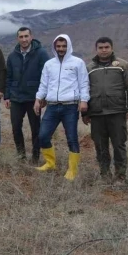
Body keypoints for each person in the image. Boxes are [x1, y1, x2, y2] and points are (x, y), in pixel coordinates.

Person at [82, 37, 128, 184]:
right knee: (100, 146)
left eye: (106, 47)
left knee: (119, 144)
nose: (104, 50)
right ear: (96, 49)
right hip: (97, 114)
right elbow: (84, 91)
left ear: (112, 48)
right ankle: (105, 175)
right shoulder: (89, 68)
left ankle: (120, 177)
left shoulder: (122, 65)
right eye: (100, 47)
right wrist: (85, 113)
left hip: (117, 112)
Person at [35, 34, 90, 181]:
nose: (61, 49)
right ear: (54, 47)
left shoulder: (78, 63)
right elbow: (44, 84)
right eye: (58, 46)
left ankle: (72, 170)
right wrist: (38, 98)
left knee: (72, 138)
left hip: (70, 107)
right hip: (52, 107)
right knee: (43, 136)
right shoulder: (49, 64)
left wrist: (84, 100)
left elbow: (84, 83)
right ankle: (50, 163)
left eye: (64, 46)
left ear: (69, 46)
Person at [4, 27, 49, 162]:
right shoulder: (12, 56)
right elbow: (8, 77)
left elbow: (46, 76)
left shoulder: (41, 53)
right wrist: (7, 96)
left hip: (33, 98)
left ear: (31, 37)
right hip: (16, 97)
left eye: (26, 36)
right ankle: (21, 154)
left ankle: (35, 156)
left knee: (36, 128)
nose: (24, 39)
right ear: (17, 38)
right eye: (21, 37)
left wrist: (43, 96)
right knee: (16, 127)